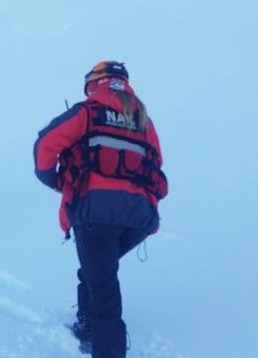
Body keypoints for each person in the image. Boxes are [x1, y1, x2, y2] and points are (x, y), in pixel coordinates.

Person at [33, 61, 168, 358]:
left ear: (94, 83)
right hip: (138, 218)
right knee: (97, 271)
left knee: (103, 283)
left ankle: (107, 348)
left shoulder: (87, 111)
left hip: (95, 211)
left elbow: (44, 145)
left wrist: (53, 180)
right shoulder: (144, 121)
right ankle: (86, 324)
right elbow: (154, 167)